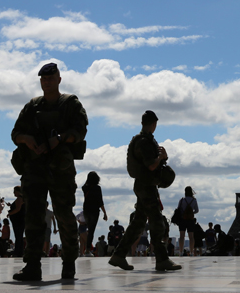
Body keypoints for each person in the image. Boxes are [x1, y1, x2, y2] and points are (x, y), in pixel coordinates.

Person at [11, 62, 90, 281]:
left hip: (60, 169)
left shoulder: (71, 104)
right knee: (34, 217)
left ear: (59, 79)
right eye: (43, 79)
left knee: (64, 214)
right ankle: (32, 266)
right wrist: (26, 139)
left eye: (50, 78)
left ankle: (69, 263)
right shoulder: (32, 106)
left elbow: (80, 130)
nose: (46, 82)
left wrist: (59, 139)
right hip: (34, 168)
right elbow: (15, 132)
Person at [107, 110, 181, 272]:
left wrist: (162, 158)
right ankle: (162, 259)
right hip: (146, 186)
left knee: (138, 223)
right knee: (157, 223)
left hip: (143, 185)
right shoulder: (145, 142)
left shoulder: (142, 140)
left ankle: (118, 255)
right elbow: (151, 165)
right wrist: (161, 158)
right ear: (154, 124)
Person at [81, 171, 108, 255]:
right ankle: (88, 249)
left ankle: (87, 249)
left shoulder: (85, 188)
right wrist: (105, 213)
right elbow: (100, 202)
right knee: (91, 230)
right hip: (94, 211)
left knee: (89, 229)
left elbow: (84, 186)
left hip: (86, 210)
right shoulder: (97, 188)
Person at [175, 186, 199, 256]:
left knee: (181, 236)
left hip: (182, 219)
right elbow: (197, 210)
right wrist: (191, 213)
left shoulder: (182, 200)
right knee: (191, 237)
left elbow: (178, 209)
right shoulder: (194, 200)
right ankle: (191, 252)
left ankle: (181, 252)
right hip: (190, 220)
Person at [7, 186, 26, 257]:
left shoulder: (19, 199)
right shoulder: (23, 199)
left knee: (18, 236)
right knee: (19, 235)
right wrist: (11, 205)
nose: (14, 193)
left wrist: (9, 213)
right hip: (21, 219)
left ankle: (18, 251)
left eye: (15, 191)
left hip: (18, 220)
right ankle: (19, 251)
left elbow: (17, 209)